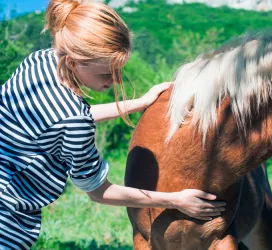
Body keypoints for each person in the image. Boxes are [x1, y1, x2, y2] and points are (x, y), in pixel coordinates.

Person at [0, 0, 226, 249]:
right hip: (8, 219)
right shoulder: (75, 122)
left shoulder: (38, 63)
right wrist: (176, 200)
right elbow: (100, 192)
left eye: (118, 71)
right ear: (73, 62)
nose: (114, 81)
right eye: (106, 74)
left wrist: (138, 103)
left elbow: (59, 119)